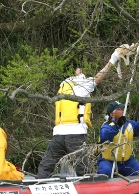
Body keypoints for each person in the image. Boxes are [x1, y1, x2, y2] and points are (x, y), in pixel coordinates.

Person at [36, 48, 129, 179]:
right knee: (83, 170)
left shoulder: (63, 88)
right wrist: (112, 60)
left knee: (46, 167)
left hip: (58, 135)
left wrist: (79, 75)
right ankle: (89, 193)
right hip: (74, 136)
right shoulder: (80, 87)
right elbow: (98, 77)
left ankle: (38, 183)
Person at [97, 101, 139, 177]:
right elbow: (105, 136)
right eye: (120, 109)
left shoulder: (129, 124)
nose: (123, 110)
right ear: (112, 114)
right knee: (105, 171)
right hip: (109, 161)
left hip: (127, 162)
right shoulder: (107, 126)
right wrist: (117, 126)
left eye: (123, 108)